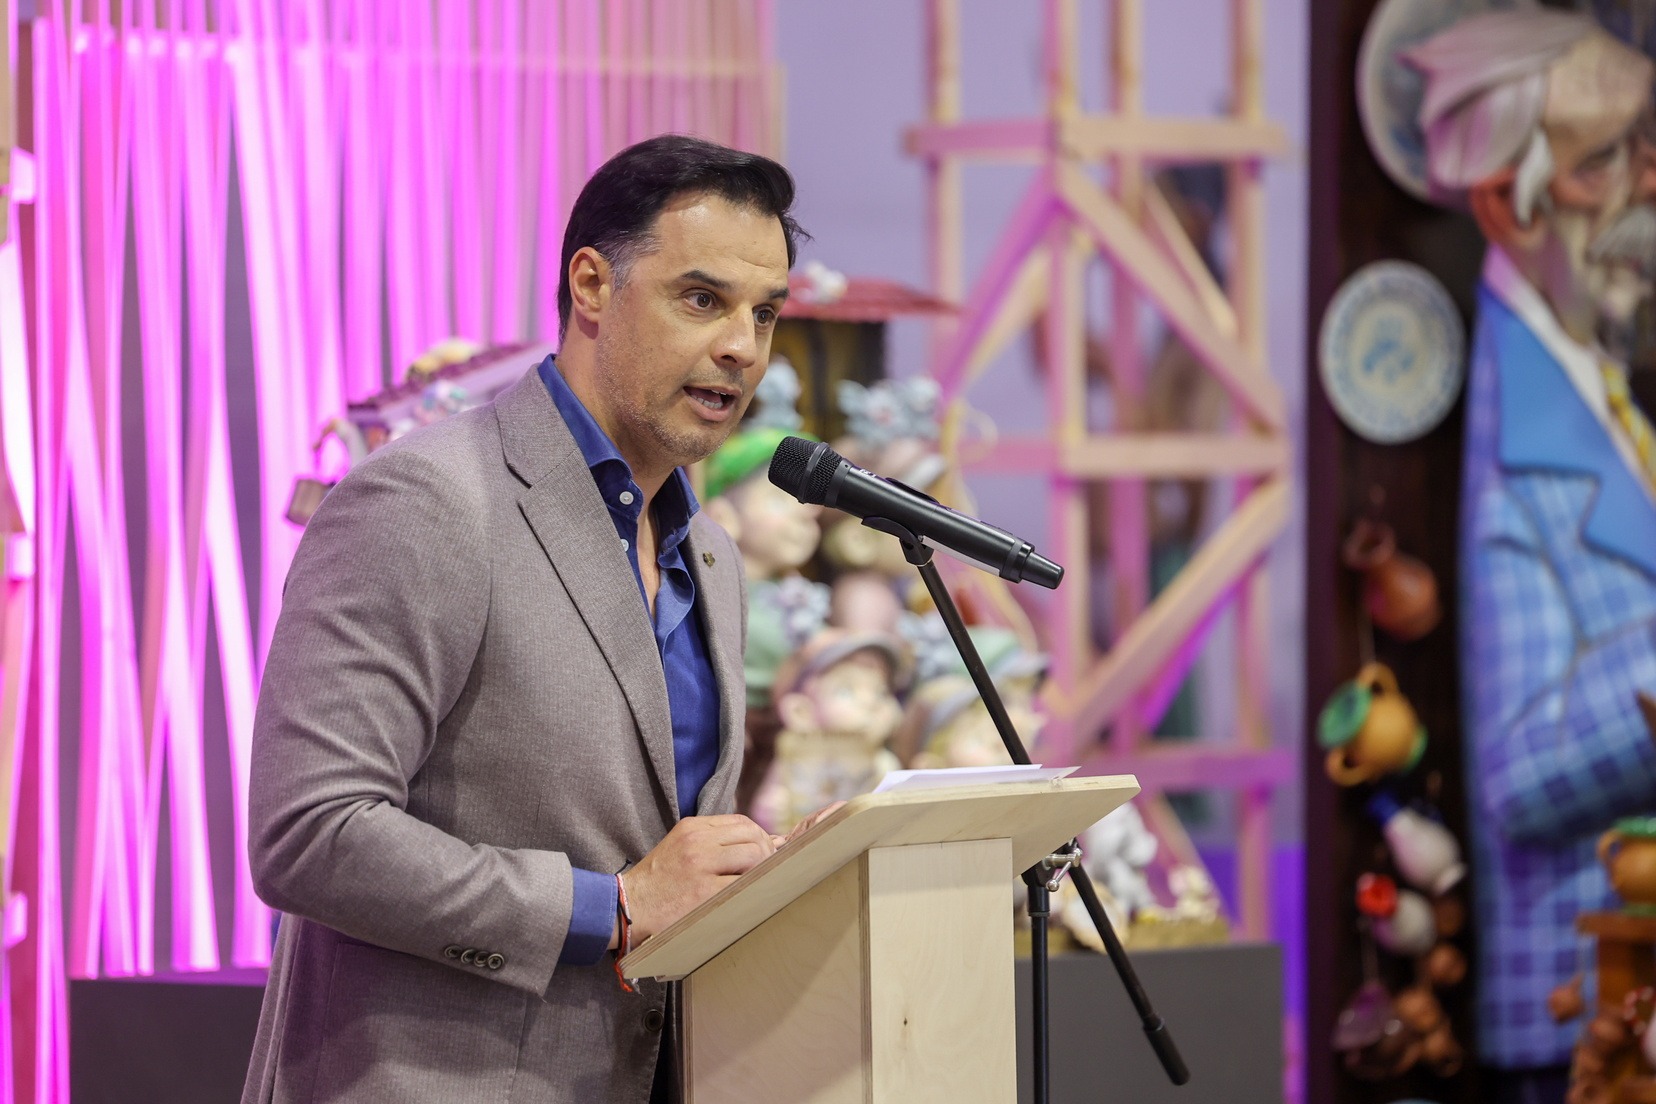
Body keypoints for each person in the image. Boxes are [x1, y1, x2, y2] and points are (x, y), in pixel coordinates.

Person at [241, 135, 811, 1104]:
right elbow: (310, 832)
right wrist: (611, 907)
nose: (742, 347)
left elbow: (662, 855)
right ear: (591, 285)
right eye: (702, 299)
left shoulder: (709, 553)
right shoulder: (427, 500)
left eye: (764, 313)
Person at [1404, 13, 1656, 1100]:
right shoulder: (1523, 441)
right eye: (1606, 161)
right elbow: (1520, 769)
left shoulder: (1593, 383)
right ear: (1512, 204)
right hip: (1579, 1019)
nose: (1649, 183)